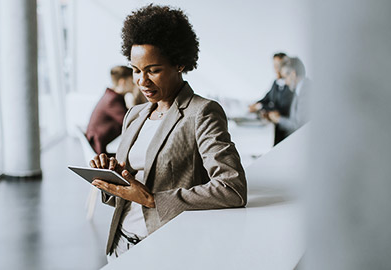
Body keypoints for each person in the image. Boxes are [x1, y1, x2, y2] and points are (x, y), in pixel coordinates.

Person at [89, 4, 247, 260]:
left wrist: (153, 199)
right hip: (120, 246)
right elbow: (128, 191)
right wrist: (111, 178)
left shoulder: (202, 113)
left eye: (153, 70)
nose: (142, 81)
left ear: (179, 64)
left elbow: (233, 189)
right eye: (136, 70)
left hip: (165, 249)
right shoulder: (135, 115)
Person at [85, 66, 145, 155]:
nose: (135, 85)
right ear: (123, 82)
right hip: (99, 152)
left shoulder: (111, 96)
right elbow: (131, 124)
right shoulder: (112, 100)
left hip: (100, 146)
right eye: (132, 81)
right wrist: (132, 102)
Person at [249, 53, 293, 145]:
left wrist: (260, 107)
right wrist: (256, 104)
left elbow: (280, 108)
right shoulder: (276, 83)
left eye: (279, 66)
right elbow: (267, 98)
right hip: (275, 128)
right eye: (274, 66)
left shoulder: (291, 85)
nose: (276, 69)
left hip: (287, 131)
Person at [267, 57, 310, 136]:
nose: (285, 82)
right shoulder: (299, 89)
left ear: (293, 74)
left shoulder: (306, 91)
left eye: (285, 77)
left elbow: (298, 126)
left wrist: (278, 119)